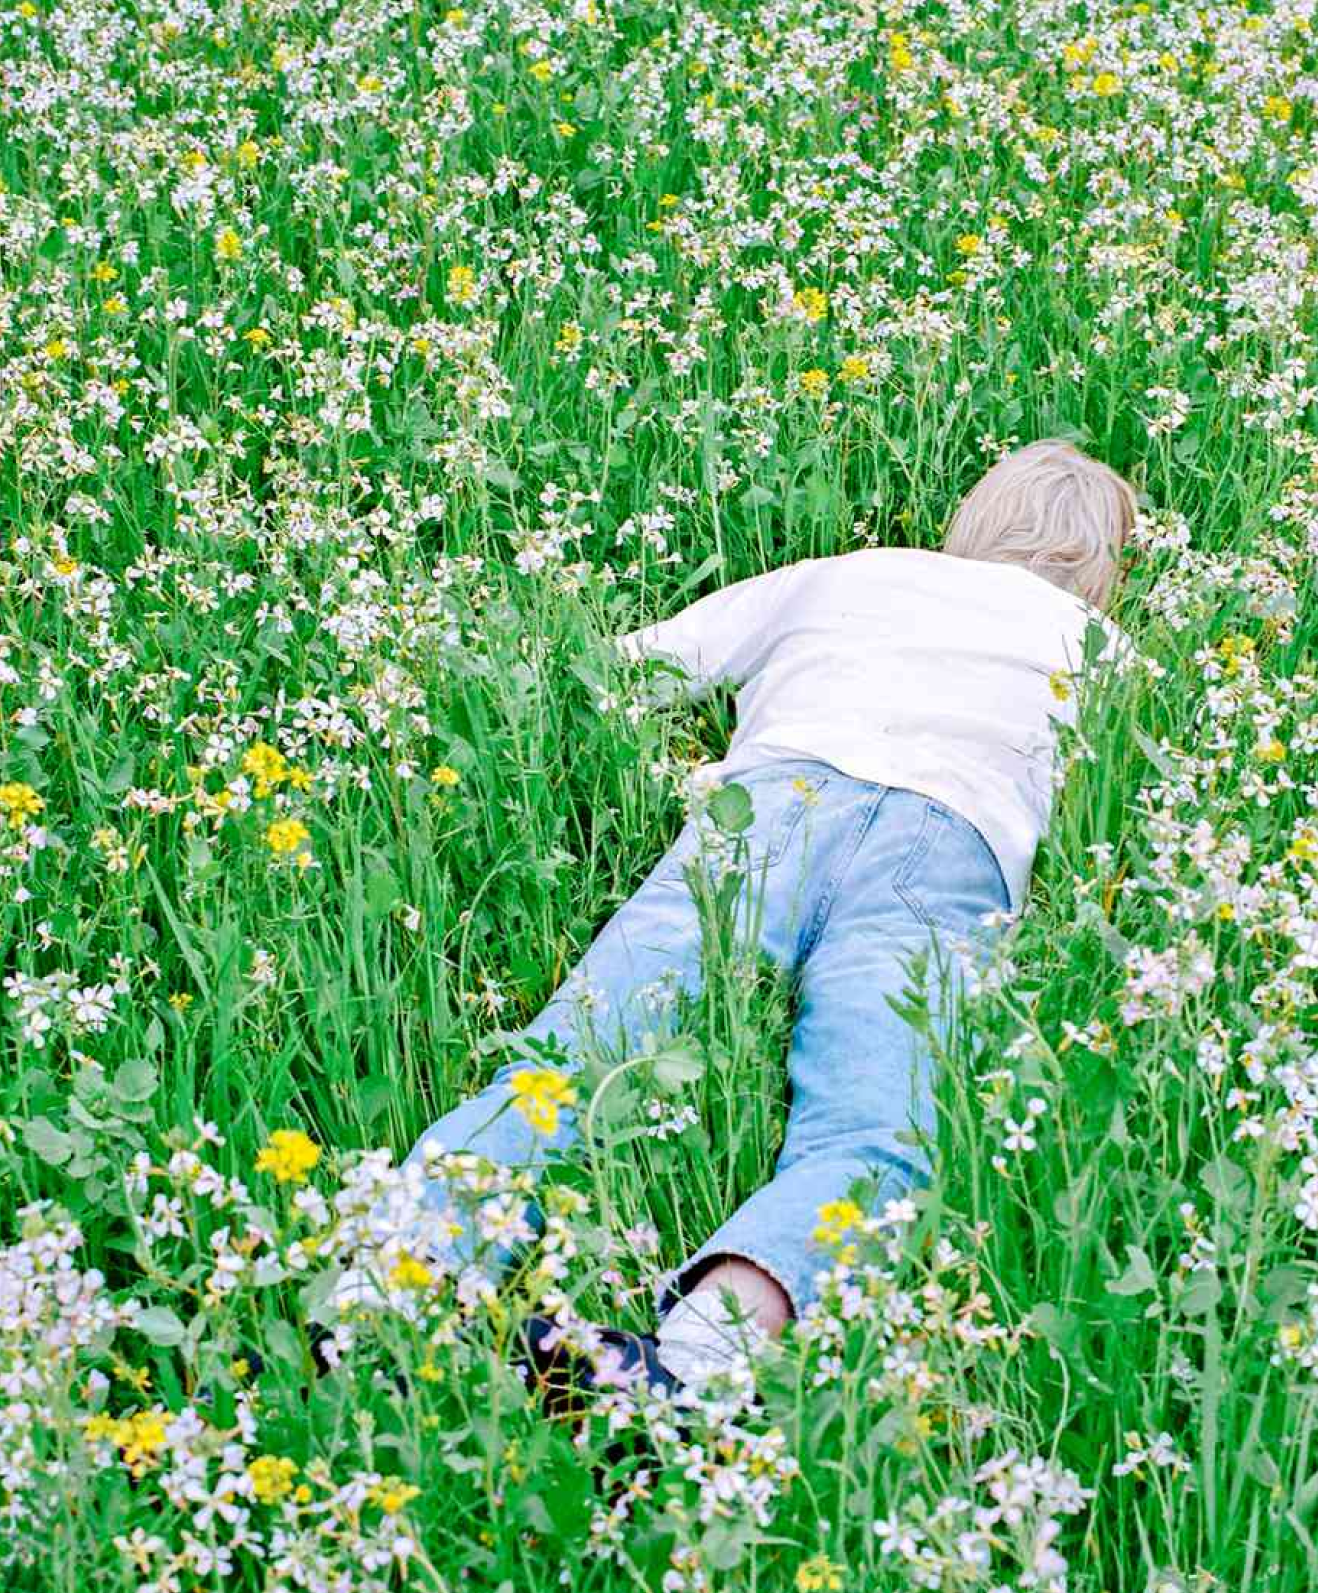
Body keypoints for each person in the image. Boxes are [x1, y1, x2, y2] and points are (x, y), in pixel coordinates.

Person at [406, 438, 1139, 1397]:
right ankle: (701, 1355)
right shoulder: (1107, 652)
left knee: (590, 1040)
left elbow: (642, 667)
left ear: (973, 522)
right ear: (1106, 576)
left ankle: (401, 1269)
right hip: (949, 847)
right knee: (877, 1123)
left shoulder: (855, 573)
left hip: (769, 806)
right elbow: (1121, 816)